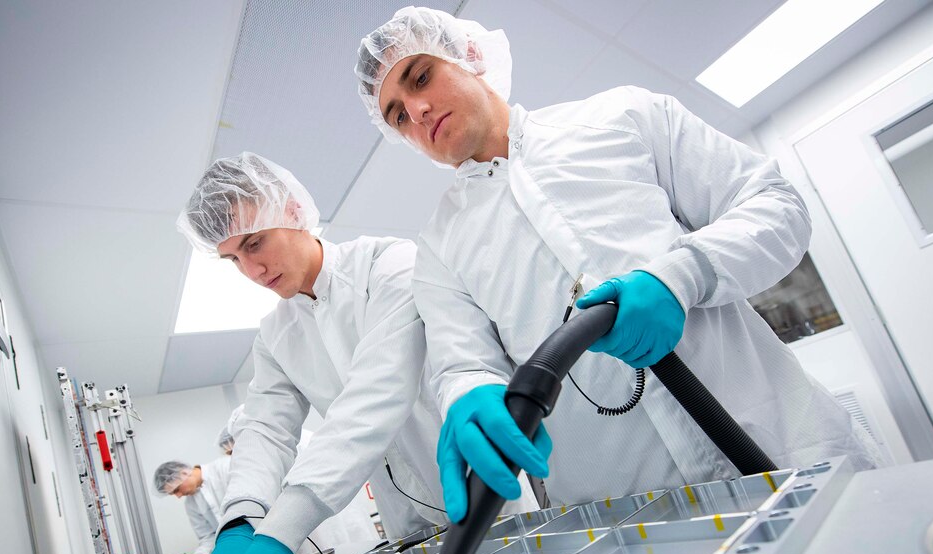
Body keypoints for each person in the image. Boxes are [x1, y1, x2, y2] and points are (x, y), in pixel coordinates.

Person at [354, 8, 879, 523]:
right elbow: (463, 362)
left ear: (467, 54)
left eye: (420, 77)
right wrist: (470, 395)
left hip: (785, 450)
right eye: (398, 114)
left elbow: (774, 203)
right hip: (641, 525)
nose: (417, 111)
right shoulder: (441, 247)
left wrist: (682, 276)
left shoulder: (622, 117)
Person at [152, 152, 531, 554]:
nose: (252, 271)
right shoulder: (277, 333)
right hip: (409, 527)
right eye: (233, 258)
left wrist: (278, 536)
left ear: (291, 208)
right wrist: (239, 524)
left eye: (255, 242)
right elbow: (263, 430)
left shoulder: (390, 265)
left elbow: (372, 400)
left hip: (485, 495)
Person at [152, 459, 230, 554]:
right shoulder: (191, 504)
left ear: (183, 473)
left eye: (176, 490)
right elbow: (208, 537)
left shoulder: (224, 468)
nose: (178, 496)